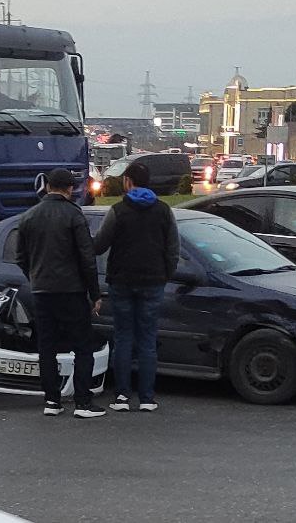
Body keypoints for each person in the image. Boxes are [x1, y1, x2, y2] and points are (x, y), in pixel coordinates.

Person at [15, 168, 106, 419]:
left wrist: (34, 276)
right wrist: (94, 293)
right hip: (71, 290)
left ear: (47, 187)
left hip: (42, 290)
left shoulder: (29, 216)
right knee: (82, 346)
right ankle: (83, 402)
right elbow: (86, 258)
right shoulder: (73, 215)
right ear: (69, 188)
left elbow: (20, 256)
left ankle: (52, 401)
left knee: (47, 346)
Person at [93, 161, 178, 413]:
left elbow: (99, 245)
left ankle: (121, 396)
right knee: (148, 339)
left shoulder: (118, 210)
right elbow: (173, 249)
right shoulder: (164, 211)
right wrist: (164, 275)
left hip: (121, 281)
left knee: (123, 337)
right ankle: (147, 398)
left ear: (128, 182)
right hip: (153, 282)